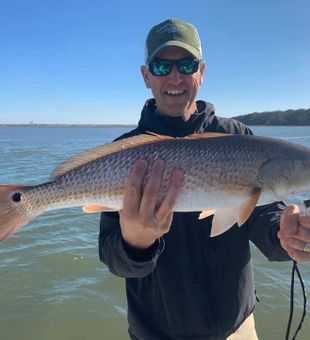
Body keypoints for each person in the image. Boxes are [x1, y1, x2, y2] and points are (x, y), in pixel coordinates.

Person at [99, 18, 310, 340]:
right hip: (157, 332)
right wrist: (135, 243)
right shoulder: (124, 155)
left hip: (237, 326)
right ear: (145, 76)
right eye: (160, 66)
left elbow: (257, 214)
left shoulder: (238, 136)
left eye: (186, 64)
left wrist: (284, 233)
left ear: (201, 71)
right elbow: (115, 261)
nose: (174, 76)